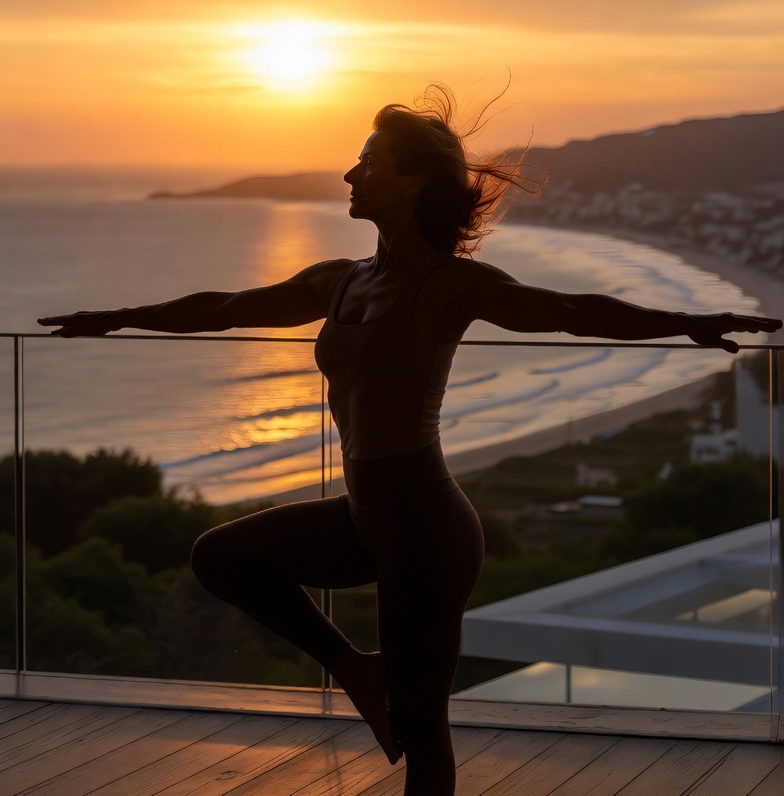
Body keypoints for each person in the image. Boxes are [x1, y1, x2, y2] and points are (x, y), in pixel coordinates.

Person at [39, 87, 782, 796]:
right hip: (368, 518)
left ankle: (372, 685)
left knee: (425, 734)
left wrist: (684, 323)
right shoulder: (339, 280)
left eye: (368, 162)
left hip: (427, 530)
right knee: (221, 557)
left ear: (413, 182)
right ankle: (355, 667)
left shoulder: (449, 286)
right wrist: (116, 315)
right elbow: (229, 306)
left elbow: (568, 308)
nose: (350, 173)